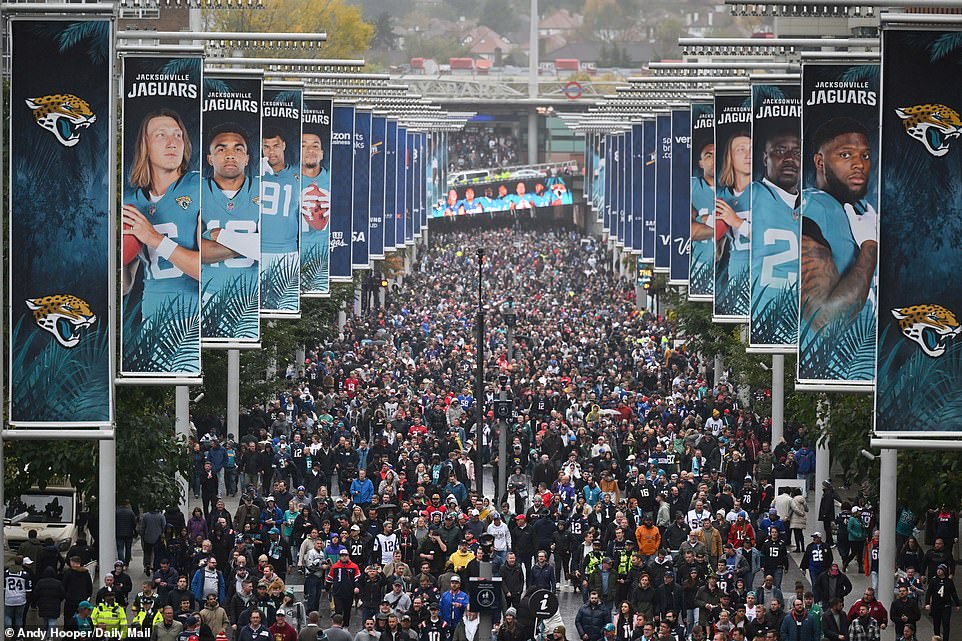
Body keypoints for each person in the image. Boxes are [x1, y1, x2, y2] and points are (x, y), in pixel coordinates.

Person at [121, 109, 202, 327]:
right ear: (144, 146)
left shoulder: (201, 189)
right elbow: (125, 285)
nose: (172, 142)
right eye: (161, 135)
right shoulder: (131, 201)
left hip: (194, 320)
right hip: (152, 321)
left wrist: (155, 239)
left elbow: (211, 272)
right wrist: (111, 261)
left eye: (178, 135)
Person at [799, 118, 877, 343]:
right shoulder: (813, 210)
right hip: (830, 367)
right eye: (845, 155)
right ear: (820, 162)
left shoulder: (862, 208)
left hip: (864, 364)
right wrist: (870, 246)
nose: (859, 164)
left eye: (865, 155)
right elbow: (826, 321)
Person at [200, 122, 261, 339]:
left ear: (247, 158)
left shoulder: (265, 190)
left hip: (253, 301)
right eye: (221, 148)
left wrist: (221, 236)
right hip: (208, 298)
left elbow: (271, 246)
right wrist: (250, 244)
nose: (230, 155)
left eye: (238, 149)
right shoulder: (196, 191)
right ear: (210, 158)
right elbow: (200, 252)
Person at [750, 126, 801, 340]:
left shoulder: (815, 203)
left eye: (796, 152)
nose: (789, 158)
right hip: (765, 317)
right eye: (780, 151)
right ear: (765, 158)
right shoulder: (751, 194)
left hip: (800, 323)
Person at [260, 126, 300, 309]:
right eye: (266, 147)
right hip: (256, 251)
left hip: (287, 253)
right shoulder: (255, 174)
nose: (271, 151)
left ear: (283, 145)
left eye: (275, 146)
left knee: (285, 307)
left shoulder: (297, 176)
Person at [714, 129, 752, 302]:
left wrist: (737, 222)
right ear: (730, 157)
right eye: (741, 149)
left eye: (751, 148)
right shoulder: (722, 197)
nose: (748, 154)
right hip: (736, 273)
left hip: (765, 274)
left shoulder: (765, 192)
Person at [690, 140, 716, 288]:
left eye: (716, 155)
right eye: (708, 156)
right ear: (700, 163)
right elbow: (690, 231)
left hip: (736, 267)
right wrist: (728, 227)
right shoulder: (691, 187)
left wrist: (704, 220)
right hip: (701, 266)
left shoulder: (737, 185)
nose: (713, 159)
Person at [925, 563, 960, 640]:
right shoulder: (933, 581)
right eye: (938, 569)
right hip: (936, 605)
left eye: (941, 570)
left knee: (946, 623)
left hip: (946, 605)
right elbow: (929, 592)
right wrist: (927, 603)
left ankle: (946, 639)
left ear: (944, 571)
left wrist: (957, 604)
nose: (939, 571)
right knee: (936, 624)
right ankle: (937, 638)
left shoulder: (949, 581)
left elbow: (953, 593)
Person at [4, 556, 32, 632]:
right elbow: (28, 590)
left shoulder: (6, 573)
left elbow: (3, 587)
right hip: (20, 599)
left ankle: (9, 631)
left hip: (9, 598)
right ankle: (18, 636)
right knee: (19, 618)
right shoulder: (25, 574)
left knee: (8, 616)